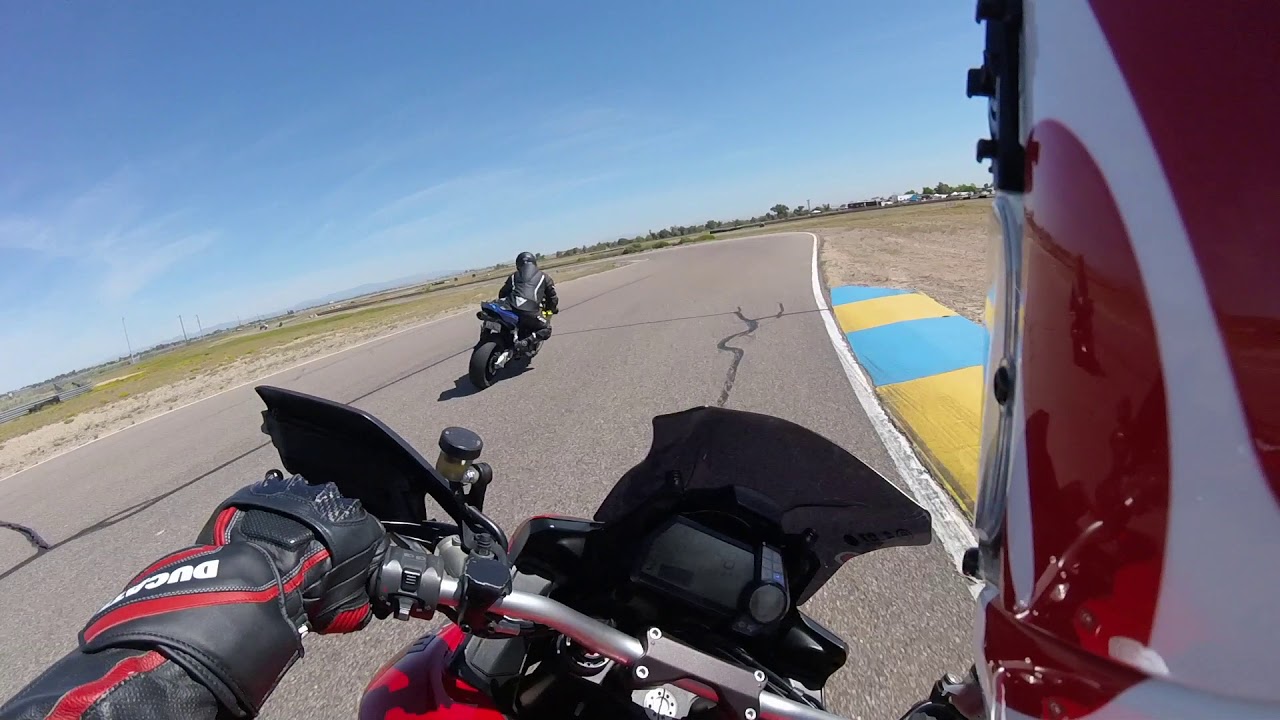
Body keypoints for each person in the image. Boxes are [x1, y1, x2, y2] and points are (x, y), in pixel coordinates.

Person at [5, 4, 1279, 720]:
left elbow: (537, 304)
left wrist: (215, 600)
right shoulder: (508, 282)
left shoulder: (541, 281)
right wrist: (211, 621)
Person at [498, 251, 558, 350]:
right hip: (529, 312)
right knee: (546, 329)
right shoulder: (544, 277)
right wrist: (552, 309)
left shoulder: (513, 276)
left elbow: (502, 293)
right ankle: (526, 342)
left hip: (509, 308)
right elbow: (552, 298)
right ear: (534, 262)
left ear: (518, 264)